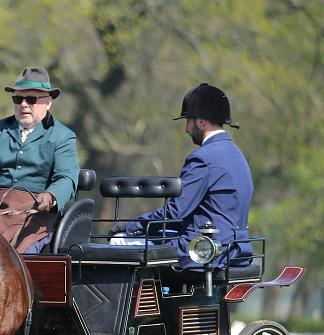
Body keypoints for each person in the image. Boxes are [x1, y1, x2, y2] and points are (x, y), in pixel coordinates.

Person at [108, 83, 253, 269]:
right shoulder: (237, 155)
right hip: (236, 250)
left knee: (119, 241)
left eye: (188, 121)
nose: (186, 129)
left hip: (204, 251)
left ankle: (141, 298)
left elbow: (176, 212)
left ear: (201, 121)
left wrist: (132, 226)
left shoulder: (202, 158)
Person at [0, 67, 80, 254]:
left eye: (31, 99)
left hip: (36, 216)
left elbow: (67, 178)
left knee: (19, 261)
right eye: (18, 99)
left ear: (48, 102)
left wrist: (51, 197)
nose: (24, 104)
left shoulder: (62, 136)